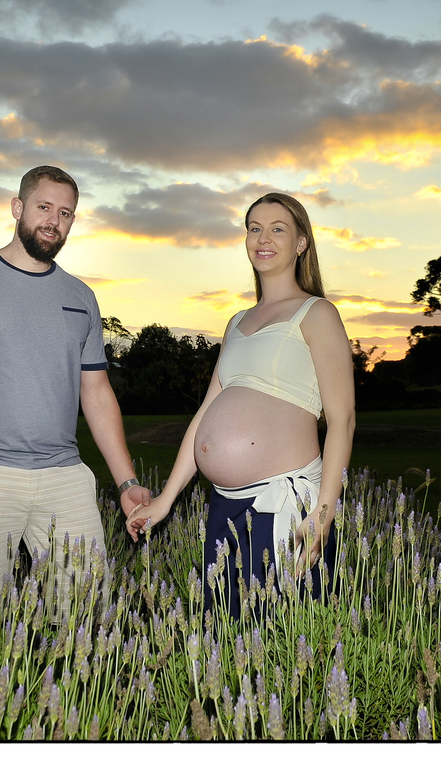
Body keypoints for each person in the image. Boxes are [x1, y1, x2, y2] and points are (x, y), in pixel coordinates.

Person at [0, 165, 152, 607]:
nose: (53, 221)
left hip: (63, 475)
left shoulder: (81, 297)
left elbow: (96, 393)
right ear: (17, 208)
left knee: (89, 615)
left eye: (65, 213)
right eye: (44, 207)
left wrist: (126, 483)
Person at [126, 192, 355, 617]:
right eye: (254, 228)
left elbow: (343, 422)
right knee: (226, 636)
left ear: (301, 242)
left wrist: (324, 511)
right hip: (223, 506)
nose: (262, 238)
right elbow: (203, 419)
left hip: (280, 504)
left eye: (277, 228)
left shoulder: (317, 313)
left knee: (286, 638)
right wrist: (166, 499)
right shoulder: (236, 322)